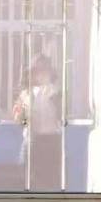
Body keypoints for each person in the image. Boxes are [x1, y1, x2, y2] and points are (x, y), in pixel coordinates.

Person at [12, 54, 63, 191]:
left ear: (50, 73)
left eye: (44, 70)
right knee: (25, 180)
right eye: (37, 71)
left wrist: (54, 99)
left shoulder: (56, 92)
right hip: (31, 140)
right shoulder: (26, 93)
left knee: (49, 182)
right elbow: (18, 119)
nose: (41, 75)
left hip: (50, 141)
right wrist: (22, 115)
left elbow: (62, 115)